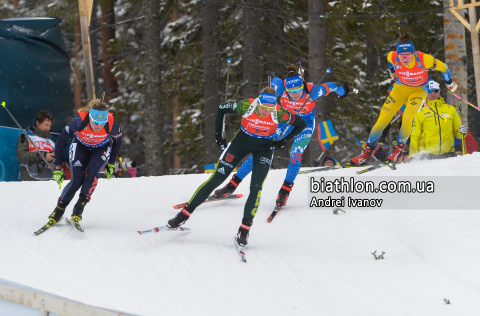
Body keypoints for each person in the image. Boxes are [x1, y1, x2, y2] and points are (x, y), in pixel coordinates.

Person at [166, 87, 307, 247]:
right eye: (263, 107)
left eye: (270, 108)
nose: (266, 112)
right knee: (216, 179)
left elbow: (302, 124)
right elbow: (221, 109)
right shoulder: (247, 106)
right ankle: (183, 215)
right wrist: (218, 135)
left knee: (256, 187)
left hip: (264, 148)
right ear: (258, 102)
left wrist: (284, 140)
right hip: (241, 143)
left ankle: (244, 230)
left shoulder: (280, 113)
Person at [211, 64, 349, 208]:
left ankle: (284, 191)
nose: (295, 94)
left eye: (298, 90)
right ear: (286, 88)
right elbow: (274, 81)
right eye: (291, 91)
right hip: (284, 121)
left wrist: (342, 92)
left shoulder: (313, 91)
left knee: (296, 154)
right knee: (262, 150)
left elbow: (333, 85)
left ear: (302, 85)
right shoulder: (280, 87)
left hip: (305, 124)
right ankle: (231, 186)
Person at [350, 34, 458, 165]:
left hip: (419, 90)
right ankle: (366, 153)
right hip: (400, 88)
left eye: (408, 55)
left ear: (413, 53)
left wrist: (449, 84)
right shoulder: (393, 56)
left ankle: (398, 150)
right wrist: (392, 71)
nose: (405, 58)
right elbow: (389, 59)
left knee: (407, 117)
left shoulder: (425, 59)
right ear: (398, 53)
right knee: (383, 118)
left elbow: (444, 67)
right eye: (402, 55)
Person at [46, 100, 122, 226]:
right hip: (80, 146)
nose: (98, 126)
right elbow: (60, 142)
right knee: (77, 179)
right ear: (90, 117)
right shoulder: (79, 121)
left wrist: (111, 163)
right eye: (96, 122)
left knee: (93, 171)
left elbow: (118, 142)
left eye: (102, 123)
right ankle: (59, 210)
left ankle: (78, 209)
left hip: (101, 148)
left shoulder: (111, 122)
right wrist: (58, 167)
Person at [410, 80, 465, 159]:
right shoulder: (420, 112)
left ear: (439, 92)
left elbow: (458, 133)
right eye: (430, 91)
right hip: (427, 156)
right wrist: (413, 156)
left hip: (448, 154)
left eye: (435, 91)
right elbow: (415, 136)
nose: (433, 93)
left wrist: (462, 131)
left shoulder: (450, 109)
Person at [16, 110, 56, 181]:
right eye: (46, 125)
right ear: (37, 122)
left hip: (50, 181)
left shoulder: (51, 142)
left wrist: (54, 161)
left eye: (50, 125)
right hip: (31, 180)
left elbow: (58, 159)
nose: (48, 128)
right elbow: (21, 156)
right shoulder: (26, 136)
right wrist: (42, 156)